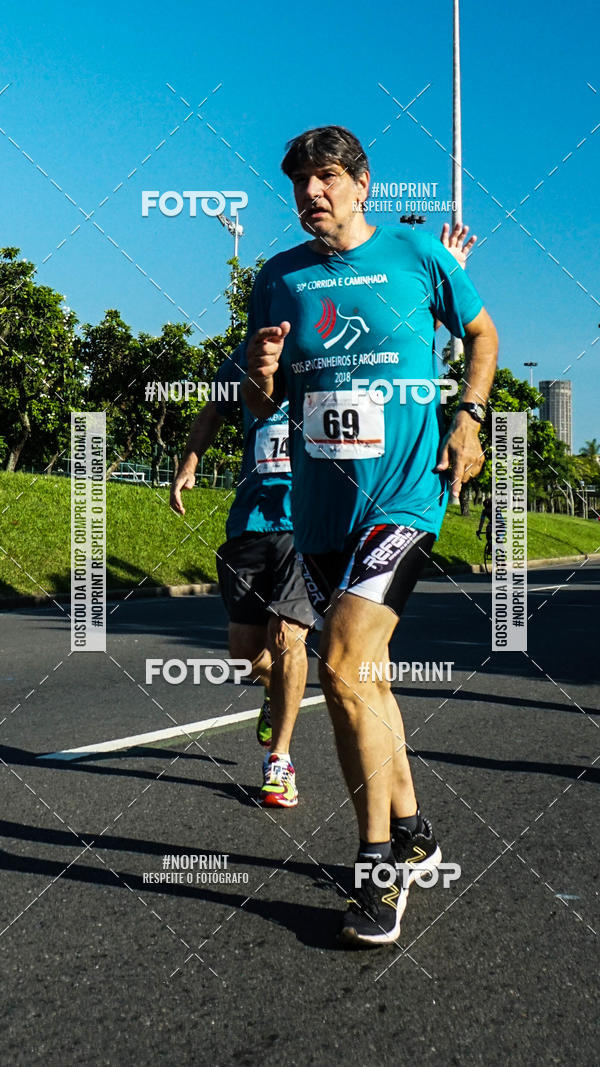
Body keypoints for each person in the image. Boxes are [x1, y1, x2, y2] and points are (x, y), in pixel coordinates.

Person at [242, 125, 498, 945]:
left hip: (406, 496)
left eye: (323, 179)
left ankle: (378, 868)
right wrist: (258, 376)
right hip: (320, 514)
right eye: (298, 184)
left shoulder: (419, 256)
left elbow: (484, 336)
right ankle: (416, 827)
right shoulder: (278, 279)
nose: (309, 195)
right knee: (372, 683)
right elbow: (261, 406)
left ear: (361, 183)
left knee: (344, 664)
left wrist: (470, 415)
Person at [170, 346, 314, 806]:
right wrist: (189, 463)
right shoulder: (244, 358)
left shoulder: (328, 347)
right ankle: (273, 693)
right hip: (249, 522)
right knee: (244, 654)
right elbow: (212, 411)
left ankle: (281, 760)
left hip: (308, 523)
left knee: (288, 635)